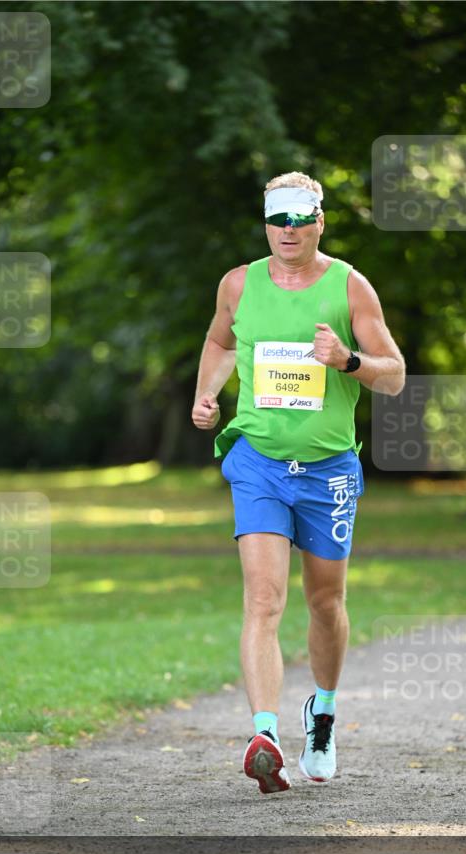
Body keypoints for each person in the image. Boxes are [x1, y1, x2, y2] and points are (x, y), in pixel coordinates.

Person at [192, 171, 405, 794]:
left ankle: (324, 713)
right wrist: (206, 394)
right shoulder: (239, 283)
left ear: (319, 221)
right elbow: (218, 340)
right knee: (263, 601)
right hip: (258, 461)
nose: (288, 230)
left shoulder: (349, 285)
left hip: (328, 470)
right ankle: (264, 733)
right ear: (265, 222)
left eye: (299, 218)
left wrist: (348, 361)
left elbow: (392, 375)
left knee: (324, 603)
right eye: (277, 219)